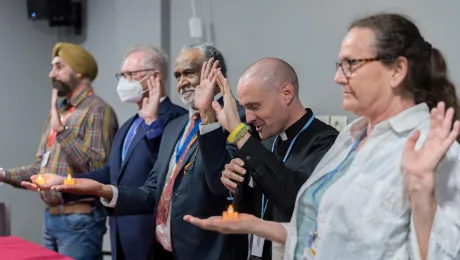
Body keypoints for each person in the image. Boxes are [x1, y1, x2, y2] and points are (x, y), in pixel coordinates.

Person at [183, 13, 460, 260]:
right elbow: (327, 235)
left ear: (397, 71)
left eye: (351, 64)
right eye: (339, 65)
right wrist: (255, 226)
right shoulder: (351, 138)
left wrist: (423, 198)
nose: (338, 78)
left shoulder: (433, 147)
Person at [30, 43, 251, 260]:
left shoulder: (239, 118)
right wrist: (102, 189)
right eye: (177, 76)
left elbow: (221, 187)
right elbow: (153, 191)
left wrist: (208, 118)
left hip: (210, 250)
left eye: (189, 73)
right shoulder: (177, 127)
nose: (182, 82)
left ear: (214, 72)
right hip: (165, 250)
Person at [24, 45, 187, 260]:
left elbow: (165, 176)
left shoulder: (178, 119)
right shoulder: (129, 125)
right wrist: (65, 182)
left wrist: (152, 126)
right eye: (122, 75)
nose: (124, 81)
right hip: (120, 230)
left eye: (131, 75)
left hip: (150, 235)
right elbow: (109, 173)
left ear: (154, 76)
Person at [199, 57, 338, 259]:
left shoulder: (326, 141)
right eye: (244, 108)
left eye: (255, 106)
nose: (248, 118)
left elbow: (293, 200)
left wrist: (238, 132)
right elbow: (250, 208)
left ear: (287, 93)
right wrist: (238, 184)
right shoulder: (264, 140)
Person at [0, 42, 119, 260]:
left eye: (59, 67)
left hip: (79, 220)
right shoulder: (59, 112)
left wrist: (61, 131)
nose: (51, 74)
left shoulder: (98, 110)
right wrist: (4, 174)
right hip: (51, 219)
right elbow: (40, 167)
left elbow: (98, 168)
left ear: (79, 71)